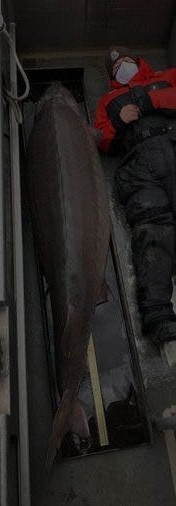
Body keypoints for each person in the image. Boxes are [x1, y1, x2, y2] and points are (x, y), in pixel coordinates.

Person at [94, 47, 176, 345]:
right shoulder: (108, 101)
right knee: (152, 232)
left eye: (124, 60)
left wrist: (150, 99)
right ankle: (158, 318)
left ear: (137, 61)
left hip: (172, 141)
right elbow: (102, 138)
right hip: (138, 166)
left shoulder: (165, 77)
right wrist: (119, 121)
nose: (121, 66)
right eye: (114, 67)